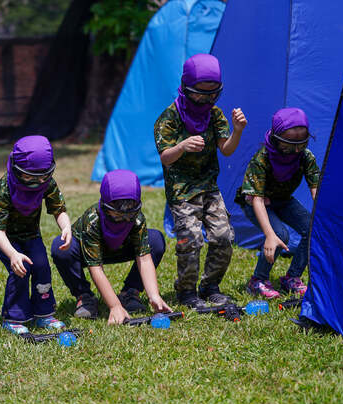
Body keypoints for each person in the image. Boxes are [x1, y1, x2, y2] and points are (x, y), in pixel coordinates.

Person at [154, 53, 247, 309]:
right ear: (185, 88)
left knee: (223, 236)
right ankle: (186, 291)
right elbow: (165, 158)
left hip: (209, 187)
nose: (205, 99)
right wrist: (182, 146)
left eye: (212, 94)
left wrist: (237, 131)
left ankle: (210, 287)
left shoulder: (215, 115)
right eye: (199, 94)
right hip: (182, 191)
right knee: (191, 238)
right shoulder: (169, 118)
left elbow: (226, 149)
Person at [51, 170, 172, 324]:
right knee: (60, 247)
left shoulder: (137, 219)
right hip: (86, 253)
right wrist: (114, 306)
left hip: (120, 249)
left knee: (155, 240)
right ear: (105, 205)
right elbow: (96, 268)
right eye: (117, 214)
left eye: (130, 214)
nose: (124, 219)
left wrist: (154, 296)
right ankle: (84, 296)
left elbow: (145, 259)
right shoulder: (92, 220)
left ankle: (130, 293)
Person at [0, 135, 72, 334]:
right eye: (30, 177)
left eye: (43, 176)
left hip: (29, 231)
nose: (38, 181)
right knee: (20, 269)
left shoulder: (46, 181)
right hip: (1, 235)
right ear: (16, 169)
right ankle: (14, 317)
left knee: (41, 265)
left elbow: (58, 209)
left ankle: (44, 314)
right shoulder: (1, 191)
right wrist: (13, 254)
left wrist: (66, 227)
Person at [235, 108, 319, 298]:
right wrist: (269, 235)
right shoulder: (262, 159)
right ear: (275, 138)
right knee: (280, 235)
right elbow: (256, 199)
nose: (296, 150)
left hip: (283, 200)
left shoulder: (305, 157)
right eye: (289, 146)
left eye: (301, 144)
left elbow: (316, 190)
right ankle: (258, 280)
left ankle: (292, 278)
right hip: (256, 202)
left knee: (312, 228)